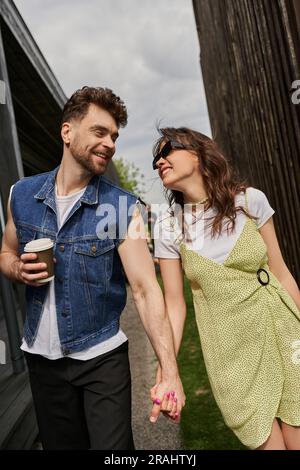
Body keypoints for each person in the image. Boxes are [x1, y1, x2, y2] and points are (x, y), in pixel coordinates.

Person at [0, 87, 185, 450]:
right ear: (67, 132)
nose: (110, 143)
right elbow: (5, 252)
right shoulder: (20, 195)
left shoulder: (120, 207)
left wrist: (170, 372)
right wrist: (17, 269)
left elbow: (146, 290)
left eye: (114, 136)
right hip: (42, 362)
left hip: (102, 361)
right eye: (99, 132)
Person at [151, 127, 300, 450]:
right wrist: (167, 371)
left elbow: (281, 273)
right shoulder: (167, 226)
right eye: (155, 159)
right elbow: (175, 306)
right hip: (230, 351)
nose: (159, 161)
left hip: (281, 328)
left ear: (199, 153)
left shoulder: (249, 201)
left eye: (167, 150)